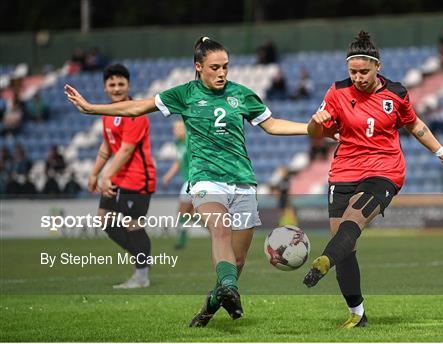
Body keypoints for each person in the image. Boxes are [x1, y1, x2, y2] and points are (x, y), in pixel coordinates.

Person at [65, 36, 308, 327]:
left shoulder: (242, 95)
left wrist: (311, 129)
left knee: (238, 261)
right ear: (198, 66)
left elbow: (272, 125)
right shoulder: (184, 94)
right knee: (220, 230)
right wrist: (93, 108)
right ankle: (231, 290)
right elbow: (136, 107)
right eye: (215, 67)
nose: (221, 73)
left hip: (243, 181)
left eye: (226, 67)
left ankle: (211, 304)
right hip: (206, 180)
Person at [304, 31, 443, 329]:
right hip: (343, 171)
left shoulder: (396, 93)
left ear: (377, 67)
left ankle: (324, 261)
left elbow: (414, 125)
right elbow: (315, 134)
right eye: (352, 72)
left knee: (353, 224)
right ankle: (357, 313)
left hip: (384, 170)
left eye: (364, 71)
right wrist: (316, 123)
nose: (358, 77)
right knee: (346, 246)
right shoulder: (336, 92)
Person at [87, 64, 157, 289]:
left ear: (128, 86)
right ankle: (142, 255)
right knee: (105, 220)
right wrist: (94, 173)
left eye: (121, 84)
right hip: (118, 177)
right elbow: (107, 146)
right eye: (112, 84)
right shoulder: (108, 113)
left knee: (132, 224)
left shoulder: (136, 113)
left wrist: (107, 175)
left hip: (138, 178)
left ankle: (141, 275)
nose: (116, 88)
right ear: (105, 87)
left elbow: (126, 150)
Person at [162, 120, 193, 249]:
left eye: (178, 128)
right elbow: (179, 161)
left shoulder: (190, 141)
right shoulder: (178, 143)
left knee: (183, 212)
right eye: (174, 128)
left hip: (193, 180)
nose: (175, 130)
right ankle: (182, 241)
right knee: (188, 213)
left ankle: (182, 242)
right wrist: (169, 175)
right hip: (188, 180)